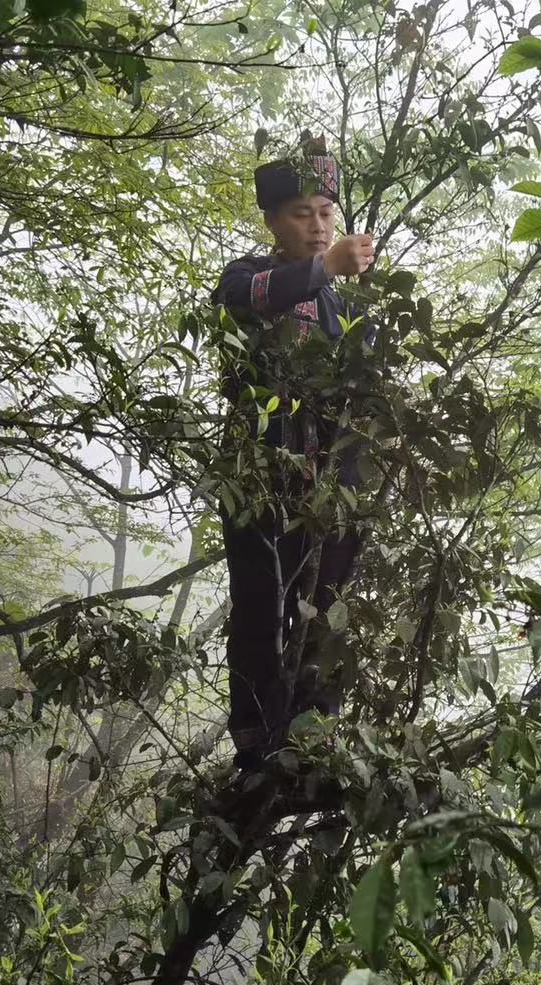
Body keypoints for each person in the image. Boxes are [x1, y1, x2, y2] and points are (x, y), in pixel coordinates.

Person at [210, 152, 375, 774]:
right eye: (302, 213)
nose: (318, 225)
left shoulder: (344, 306)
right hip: (260, 480)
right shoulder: (245, 274)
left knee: (326, 610)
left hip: (333, 489)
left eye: (327, 213)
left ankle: (313, 744)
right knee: (259, 606)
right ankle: (255, 744)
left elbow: (366, 390)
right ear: (274, 220)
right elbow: (252, 299)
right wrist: (324, 268)